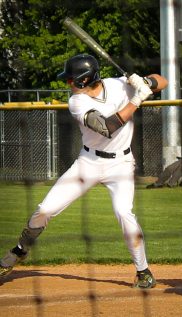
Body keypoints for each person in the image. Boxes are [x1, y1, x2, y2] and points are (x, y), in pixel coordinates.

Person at [0, 54, 168, 289]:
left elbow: (164, 81)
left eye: (70, 80)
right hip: (88, 162)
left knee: (124, 212)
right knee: (45, 210)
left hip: (121, 164)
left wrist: (146, 83)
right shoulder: (76, 101)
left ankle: (144, 271)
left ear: (83, 79)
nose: (68, 84)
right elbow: (107, 128)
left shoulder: (119, 85)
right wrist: (138, 99)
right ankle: (19, 250)